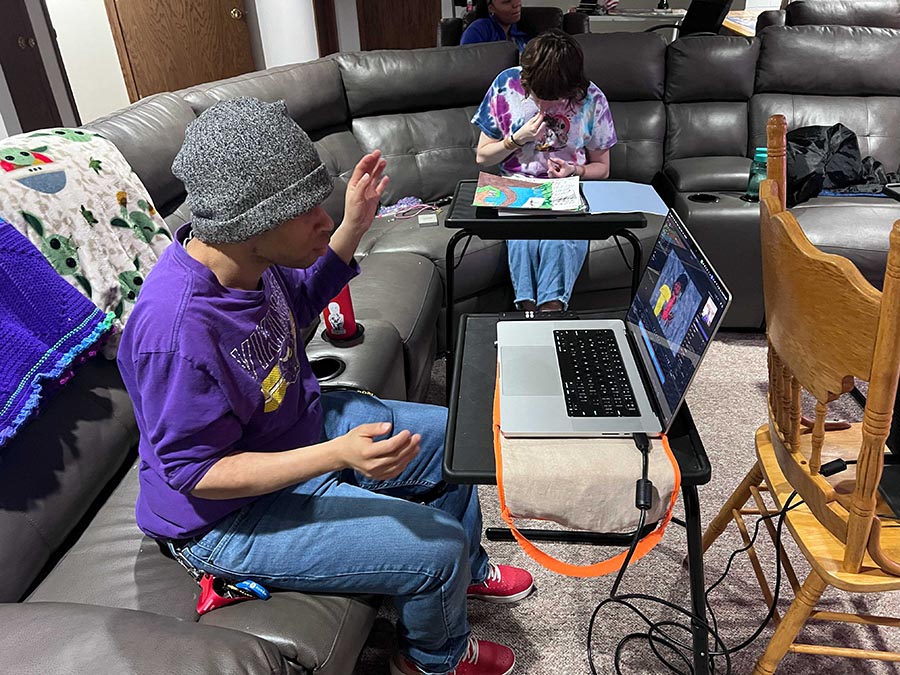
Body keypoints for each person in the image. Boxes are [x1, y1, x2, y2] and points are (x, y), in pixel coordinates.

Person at [116, 97, 533, 675]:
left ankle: (466, 567)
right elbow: (196, 473)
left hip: (293, 432)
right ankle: (434, 658)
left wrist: (355, 225)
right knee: (434, 548)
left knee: (455, 438)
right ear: (247, 223)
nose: (323, 219)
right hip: (224, 517)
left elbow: (305, 301)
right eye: (304, 209)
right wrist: (335, 455)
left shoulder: (251, 264)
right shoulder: (176, 331)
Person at [471, 29, 617, 313]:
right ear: (526, 81)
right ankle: (528, 314)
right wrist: (517, 139)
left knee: (559, 241)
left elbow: (603, 168)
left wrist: (575, 170)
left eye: (558, 98)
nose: (546, 106)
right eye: (538, 97)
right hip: (515, 189)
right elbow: (482, 157)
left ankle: (549, 316)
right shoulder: (506, 85)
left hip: (566, 191)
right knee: (524, 241)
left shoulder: (592, 98)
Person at [460, 0, 529, 52]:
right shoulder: (478, 30)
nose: (517, 4)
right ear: (491, 8)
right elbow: (465, 62)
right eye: (507, 1)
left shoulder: (522, 31)